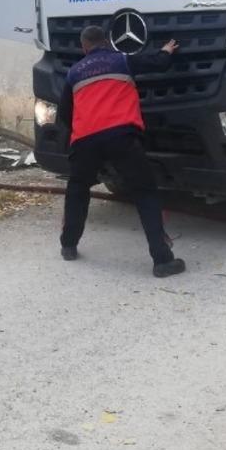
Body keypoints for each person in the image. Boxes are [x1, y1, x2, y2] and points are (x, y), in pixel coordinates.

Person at [57, 25, 185, 278]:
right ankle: (162, 260)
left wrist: (82, 130)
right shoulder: (122, 60)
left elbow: (64, 114)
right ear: (107, 42)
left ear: (84, 47)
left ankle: (68, 246)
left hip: (85, 141)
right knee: (145, 192)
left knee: (77, 190)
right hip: (121, 136)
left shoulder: (74, 72)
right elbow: (157, 63)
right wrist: (166, 50)